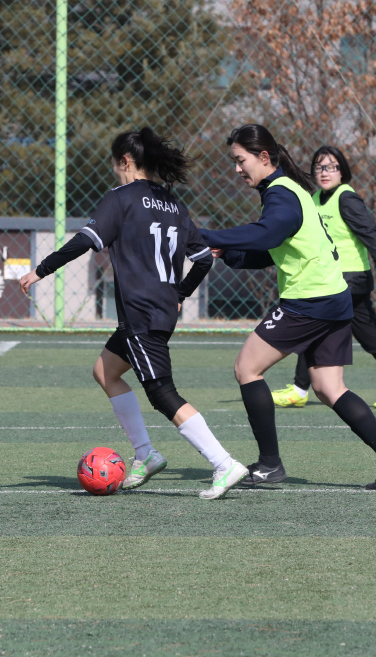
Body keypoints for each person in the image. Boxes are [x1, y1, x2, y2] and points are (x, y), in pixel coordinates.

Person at [19, 128, 249, 499]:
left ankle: (223, 463)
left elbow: (85, 241)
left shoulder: (122, 198)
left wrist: (40, 270)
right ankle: (146, 454)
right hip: (158, 310)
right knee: (105, 371)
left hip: (141, 312)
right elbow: (204, 259)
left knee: (161, 393)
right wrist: (180, 293)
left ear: (125, 161)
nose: (114, 170)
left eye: (114, 164)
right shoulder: (173, 203)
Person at [202, 124, 376, 490]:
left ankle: (269, 464)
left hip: (309, 301)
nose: (237, 169)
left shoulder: (282, 194)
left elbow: (268, 234)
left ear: (264, 157)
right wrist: (232, 254)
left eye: (241, 160)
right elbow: (276, 248)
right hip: (334, 299)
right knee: (329, 388)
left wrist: (205, 236)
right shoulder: (292, 192)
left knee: (246, 369)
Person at [271, 145, 376, 410]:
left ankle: (300, 390)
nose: (324, 172)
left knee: (313, 328)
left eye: (331, 167)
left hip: (349, 280)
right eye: (319, 167)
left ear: (342, 171)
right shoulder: (314, 199)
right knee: (370, 335)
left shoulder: (346, 198)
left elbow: (371, 231)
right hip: (334, 280)